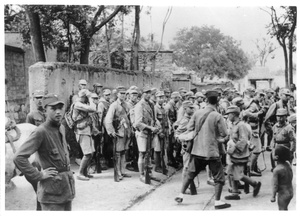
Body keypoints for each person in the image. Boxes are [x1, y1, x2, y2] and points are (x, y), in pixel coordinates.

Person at [14, 94, 75, 211]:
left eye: (60, 108)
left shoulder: (61, 127)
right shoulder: (41, 131)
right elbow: (19, 157)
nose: (58, 112)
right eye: (53, 108)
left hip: (67, 189)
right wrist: (39, 175)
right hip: (51, 194)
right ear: (45, 110)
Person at [175, 90, 231, 210]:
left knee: (190, 173)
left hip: (197, 150)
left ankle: (180, 195)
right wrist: (221, 139)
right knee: (219, 177)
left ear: (206, 100)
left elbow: (189, 128)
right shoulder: (217, 115)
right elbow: (224, 133)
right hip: (212, 151)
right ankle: (217, 202)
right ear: (218, 101)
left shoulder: (197, 113)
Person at [224, 106, 261, 200]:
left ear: (233, 115)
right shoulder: (235, 125)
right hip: (236, 153)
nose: (228, 116)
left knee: (237, 174)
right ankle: (235, 192)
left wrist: (234, 149)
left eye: (229, 114)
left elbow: (243, 140)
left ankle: (254, 184)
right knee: (231, 172)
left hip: (240, 154)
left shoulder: (241, 126)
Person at [105, 86, 132, 181]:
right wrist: (111, 131)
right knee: (118, 153)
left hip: (126, 131)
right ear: (117, 94)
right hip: (119, 132)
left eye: (125, 93)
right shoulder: (114, 105)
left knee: (124, 152)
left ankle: (123, 171)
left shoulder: (127, 104)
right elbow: (108, 119)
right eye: (121, 93)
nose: (123, 95)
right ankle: (118, 172)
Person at [134, 87, 161, 183]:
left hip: (151, 133)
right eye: (146, 93)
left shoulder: (151, 104)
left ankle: (149, 173)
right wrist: (150, 128)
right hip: (143, 133)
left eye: (150, 93)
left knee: (149, 153)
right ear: (142, 94)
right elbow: (138, 123)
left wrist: (157, 124)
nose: (149, 95)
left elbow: (154, 117)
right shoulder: (139, 106)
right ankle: (142, 174)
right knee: (142, 153)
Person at [73, 89, 97, 181]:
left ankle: (85, 172)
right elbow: (93, 109)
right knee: (87, 153)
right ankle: (80, 173)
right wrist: (91, 99)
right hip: (82, 131)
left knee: (90, 153)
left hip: (87, 131)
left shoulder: (83, 104)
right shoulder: (78, 104)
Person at [175, 101, 197, 195]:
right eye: (190, 108)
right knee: (187, 166)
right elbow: (178, 134)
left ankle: (189, 185)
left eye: (193, 108)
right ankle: (185, 186)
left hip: (193, 145)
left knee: (191, 166)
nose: (192, 109)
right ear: (185, 109)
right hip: (187, 146)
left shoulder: (192, 118)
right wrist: (185, 140)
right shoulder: (184, 120)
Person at [271, 145, 294, 210]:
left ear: (277, 157)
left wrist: (273, 196)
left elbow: (275, 185)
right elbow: (291, 175)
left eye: (274, 153)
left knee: (282, 209)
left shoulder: (276, 170)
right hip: (290, 191)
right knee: (285, 208)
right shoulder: (288, 164)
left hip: (283, 194)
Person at [154, 91, 170, 175]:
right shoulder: (155, 108)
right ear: (156, 98)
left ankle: (163, 165)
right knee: (157, 149)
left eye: (162, 97)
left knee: (163, 149)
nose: (161, 99)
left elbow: (166, 120)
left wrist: (168, 129)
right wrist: (159, 132)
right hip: (157, 132)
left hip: (164, 131)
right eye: (159, 97)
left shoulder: (164, 108)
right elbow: (154, 120)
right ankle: (157, 166)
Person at [164, 91, 181, 168]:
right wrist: (170, 127)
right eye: (177, 97)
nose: (179, 99)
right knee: (169, 145)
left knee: (173, 144)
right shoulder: (168, 106)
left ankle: (172, 159)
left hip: (173, 126)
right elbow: (166, 117)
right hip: (169, 128)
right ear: (175, 98)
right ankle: (170, 160)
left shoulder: (173, 105)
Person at [98, 89, 112, 169]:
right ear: (103, 95)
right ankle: (103, 161)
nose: (108, 96)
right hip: (104, 126)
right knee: (103, 145)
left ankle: (108, 160)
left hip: (109, 126)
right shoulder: (101, 103)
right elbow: (100, 117)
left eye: (109, 94)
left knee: (109, 144)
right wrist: (101, 128)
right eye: (106, 95)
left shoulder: (109, 103)